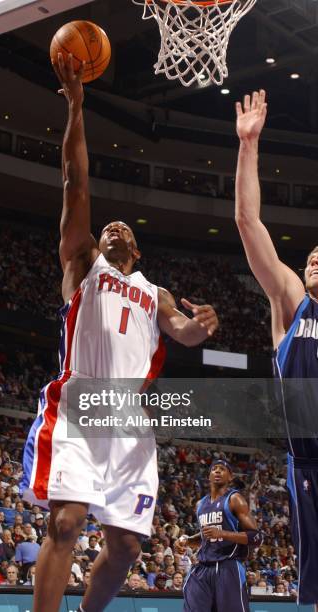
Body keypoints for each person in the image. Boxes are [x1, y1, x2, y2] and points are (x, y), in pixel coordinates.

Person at [20, 53, 219, 612]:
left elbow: (181, 332)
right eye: (109, 225)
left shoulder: (156, 293)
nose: (114, 227)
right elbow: (74, 184)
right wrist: (77, 109)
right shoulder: (83, 263)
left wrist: (201, 326)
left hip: (129, 417)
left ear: (137, 249)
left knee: (128, 548)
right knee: (66, 521)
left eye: (124, 228)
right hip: (82, 399)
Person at [235, 89, 318, 609]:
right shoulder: (292, 302)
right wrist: (248, 146)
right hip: (309, 463)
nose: (314, 260)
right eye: (311, 256)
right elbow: (249, 223)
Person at [182, 460, 263, 611]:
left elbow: (256, 538)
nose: (218, 471)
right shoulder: (200, 504)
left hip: (228, 566)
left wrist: (223, 534)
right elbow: (206, 536)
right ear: (209, 476)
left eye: (222, 469)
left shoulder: (235, 499)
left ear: (230, 477)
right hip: (202, 567)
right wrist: (187, 541)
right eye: (214, 469)